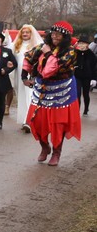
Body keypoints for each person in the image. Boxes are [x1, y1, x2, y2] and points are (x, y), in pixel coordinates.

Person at [22, 21, 82, 166]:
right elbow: (29, 57)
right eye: (53, 33)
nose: (55, 36)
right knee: (37, 121)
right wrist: (24, 77)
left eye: (58, 35)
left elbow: (52, 69)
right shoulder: (43, 46)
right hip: (42, 88)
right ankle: (44, 146)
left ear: (65, 37)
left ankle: (56, 152)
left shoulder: (70, 51)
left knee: (58, 124)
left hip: (62, 90)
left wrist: (48, 53)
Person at [13, 24, 44, 132]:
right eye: (23, 32)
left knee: (30, 96)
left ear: (31, 33)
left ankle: (29, 120)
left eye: (27, 32)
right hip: (19, 75)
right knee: (21, 96)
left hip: (30, 75)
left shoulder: (37, 45)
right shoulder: (16, 45)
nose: (25, 34)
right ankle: (24, 120)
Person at [0, 31, 17, 129]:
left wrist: (6, 70)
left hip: (1, 79)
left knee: (0, 102)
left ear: (2, 40)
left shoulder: (7, 51)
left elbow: (14, 64)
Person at [73, 37, 97, 115]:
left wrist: (94, 79)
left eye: (83, 43)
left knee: (86, 94)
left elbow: (94, 68)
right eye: (80, 43)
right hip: (77, 76)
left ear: (87, 45)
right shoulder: (75, 53)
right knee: (77, 94)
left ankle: (86, 108)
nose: (81, 45)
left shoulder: (91, 55)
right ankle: (77, 110)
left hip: (87, 77)